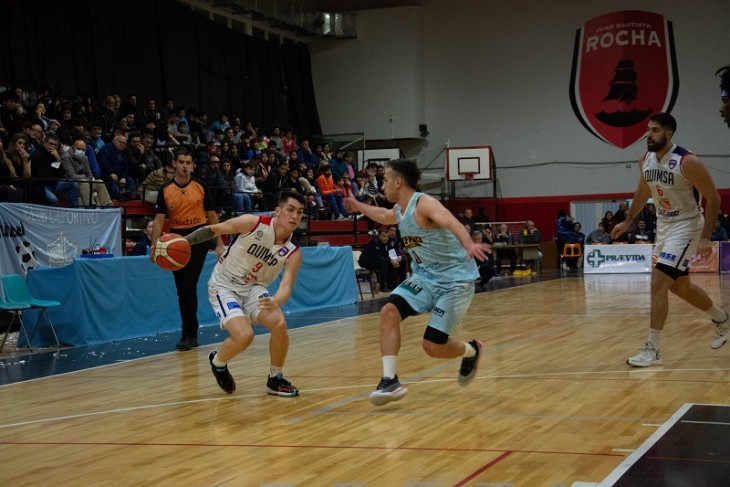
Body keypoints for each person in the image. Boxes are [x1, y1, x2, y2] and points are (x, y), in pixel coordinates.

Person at [343, 159, 490, 406]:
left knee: (432, 347)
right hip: (425, 278)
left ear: (398, 182)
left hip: (454, 282)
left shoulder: (425, 204)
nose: (382, 185)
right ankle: (390, 381)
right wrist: (358, 205)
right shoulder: (400, 210)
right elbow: (384, 215)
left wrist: (469, 244)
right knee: (388, 312)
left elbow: (452, 222)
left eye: (385, 180)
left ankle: (472, 350)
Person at [610, 112, 729, 367]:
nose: (648, 135)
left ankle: (652, 349)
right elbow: (643, 190)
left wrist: (706, 237)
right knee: (679, 286)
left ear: (668, 133)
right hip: (664, 226)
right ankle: (722, 319)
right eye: (648, 129)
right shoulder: (645, 159)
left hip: (687, 226)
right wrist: (628, 221)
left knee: (659, 281)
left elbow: (714, 197)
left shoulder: (687, 161)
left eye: (654, 130)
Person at [183, 190, 306, 397]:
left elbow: (286, 286)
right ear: (278, 211)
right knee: (245, 337)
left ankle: (275, 379)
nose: (295, 216)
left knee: (279, 324)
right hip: (225, 285)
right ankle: (218, 363)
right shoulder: (253, 223)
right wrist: (181, 242)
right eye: (290, 210)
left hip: (254, 288)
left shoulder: (293, 251)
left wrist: (277, 300)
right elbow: (213, 230)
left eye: (300, 212)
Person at [150, 148, 225, 351]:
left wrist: (219, 243)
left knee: (188, 285)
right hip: (176, 238)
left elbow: (212, 217)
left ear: (193, 165)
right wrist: (154, 245)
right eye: (181, 162)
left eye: (188, 162)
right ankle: (188, 333)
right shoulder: (165, 189)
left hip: (199, 236)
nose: (184, 166)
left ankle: (189, 335)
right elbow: (159, 220)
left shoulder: (201, 186)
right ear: (174, 164)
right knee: (181, 289)